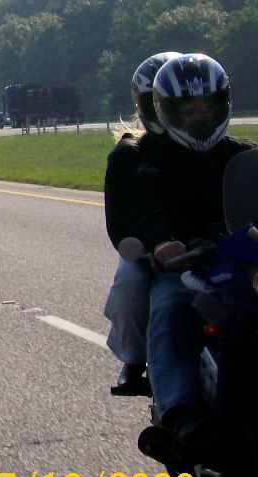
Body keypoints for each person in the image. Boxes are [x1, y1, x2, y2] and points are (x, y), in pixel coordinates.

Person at [131, 54, 256, 460]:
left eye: (206, 107)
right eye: (188, 109)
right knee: (169, 307)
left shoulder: (244, 156)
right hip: (186, 267)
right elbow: (145, 211)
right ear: (168, 110)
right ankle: (180, 413)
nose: (199, 117)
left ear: (222, 106)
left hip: (242, 263)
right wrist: (163, 241)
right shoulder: (151, 161)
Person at [104, 52, 180, 394]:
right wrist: (152, 243)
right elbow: (121, 222)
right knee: (129, 284)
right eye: (156, 103)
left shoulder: (212, 149)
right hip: (150, 250)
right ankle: (134, 358)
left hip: (208, 243)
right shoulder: (131, 154)